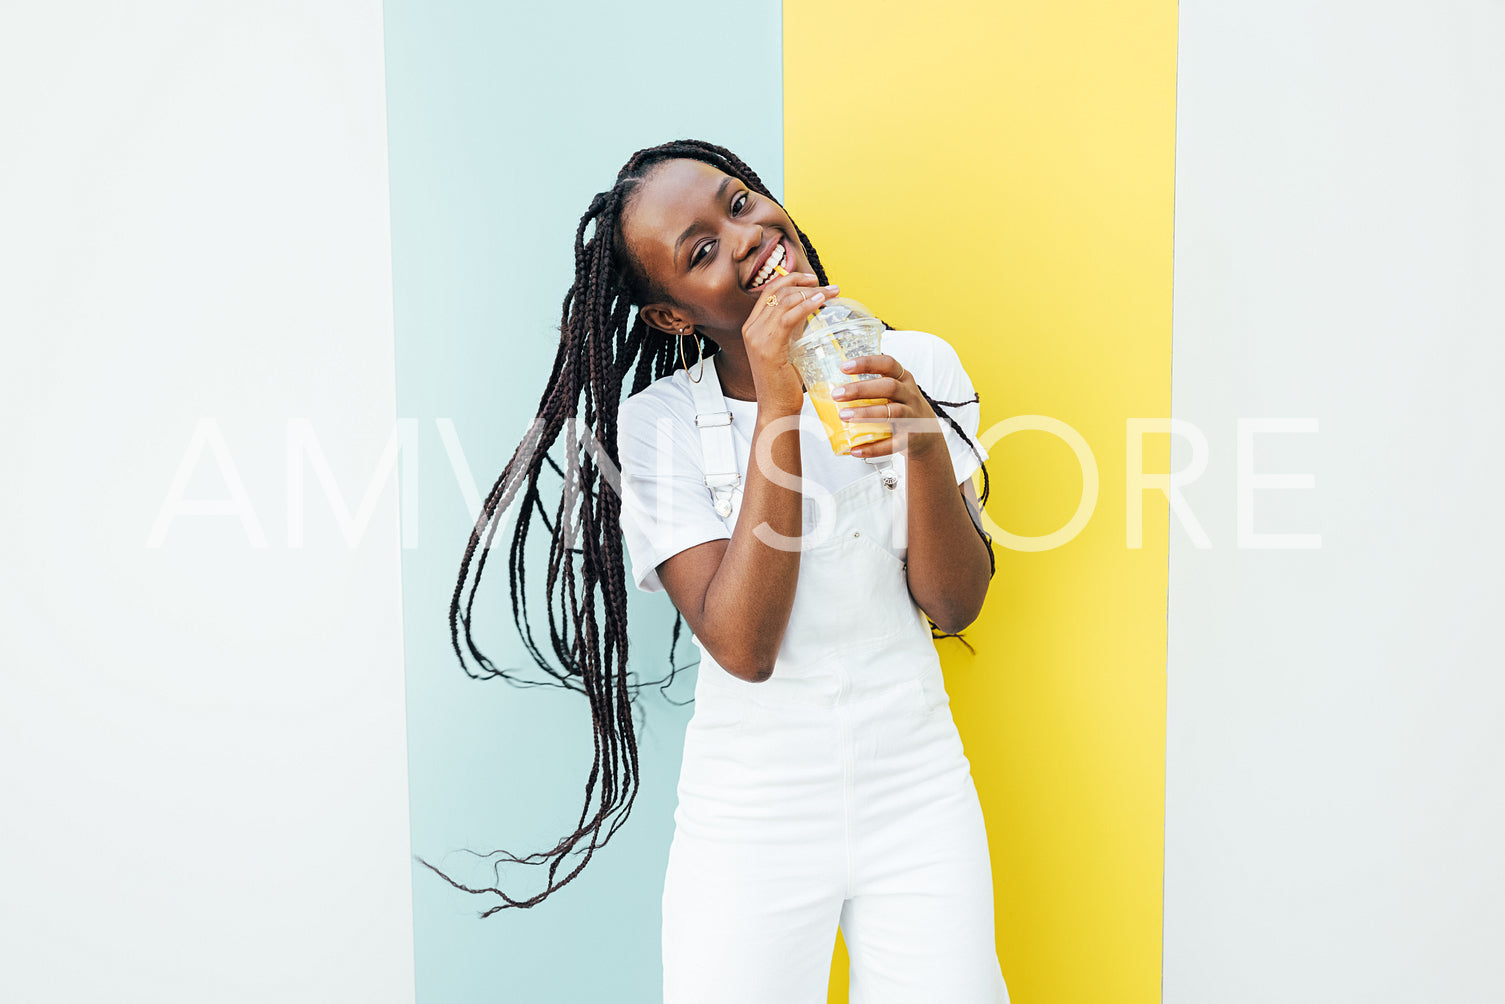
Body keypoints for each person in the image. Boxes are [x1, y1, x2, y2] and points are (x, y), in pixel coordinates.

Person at [424, 138, 1010, 1003]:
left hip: (919, 792)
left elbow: (954, 603)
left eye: (739, 203)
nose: (745, 237)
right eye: (700, 250)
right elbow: (742, 645)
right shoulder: (661, 424)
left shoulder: (917, 365)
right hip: (753, 816)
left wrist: (920, 437)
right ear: (672, 316)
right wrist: (779, 399)